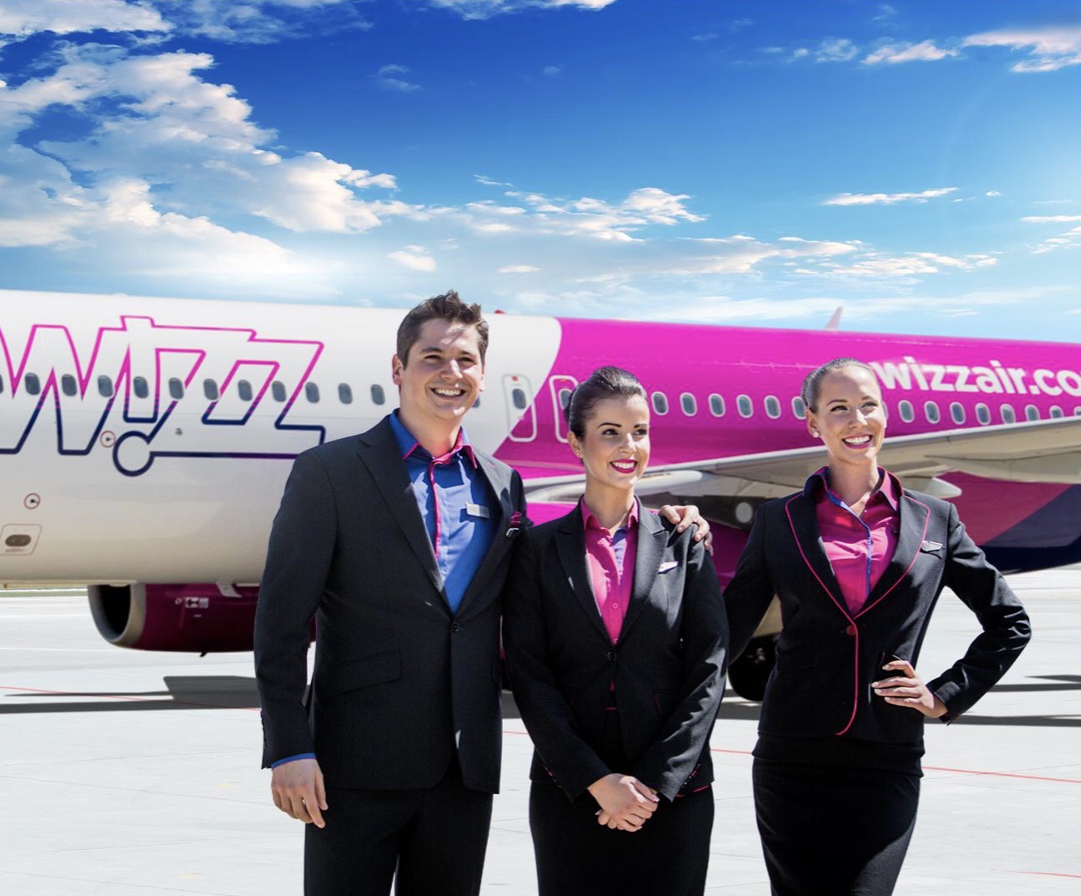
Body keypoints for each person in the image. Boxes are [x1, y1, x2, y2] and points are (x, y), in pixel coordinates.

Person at [254, 292, 707, 896]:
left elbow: (550, 586)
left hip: (463, 768)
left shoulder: (501, 484)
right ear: (398, 368)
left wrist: (668, 517)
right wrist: (289, 749)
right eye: (432, 357)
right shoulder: (330, 473)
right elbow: (280, 623)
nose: (451, 373)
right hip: (354, 763)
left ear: (483, 376)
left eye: (466, 360)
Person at [723, 357, 1032, 896]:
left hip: (885, 753)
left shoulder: (935, 519)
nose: (856, 419)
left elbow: (1009, 621)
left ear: (885, 415)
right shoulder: (780, 521)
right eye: (838, 408)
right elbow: (724, 633)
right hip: (794, 754)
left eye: (868, 405)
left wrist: (943, 695)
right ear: (813, 422)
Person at [503, 366, 728, 896]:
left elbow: (709, 668)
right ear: (574, 441)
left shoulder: (682, 539)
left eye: (639, 431)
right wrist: (595, 781)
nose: (629, 446)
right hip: (571, 790)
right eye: (610, 432)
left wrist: (654, 782)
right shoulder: (536, 550)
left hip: (673, 793)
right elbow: (530, 675)